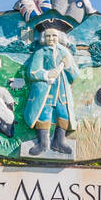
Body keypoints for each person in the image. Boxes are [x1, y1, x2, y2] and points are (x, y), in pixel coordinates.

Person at [23, 21, 79, 155]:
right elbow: (32, 72)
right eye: (48, 36)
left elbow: (75, 75)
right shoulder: (40, 53)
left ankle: (58, 142)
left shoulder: (64, 52)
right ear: (43, 38)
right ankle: (42, 143)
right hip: (46, 89)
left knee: (63, 113)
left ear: (59, 37)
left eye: (54, 36)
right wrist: (47, 74)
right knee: (44, 113)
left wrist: (67, 66)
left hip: (61, 89)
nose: (51, 39)